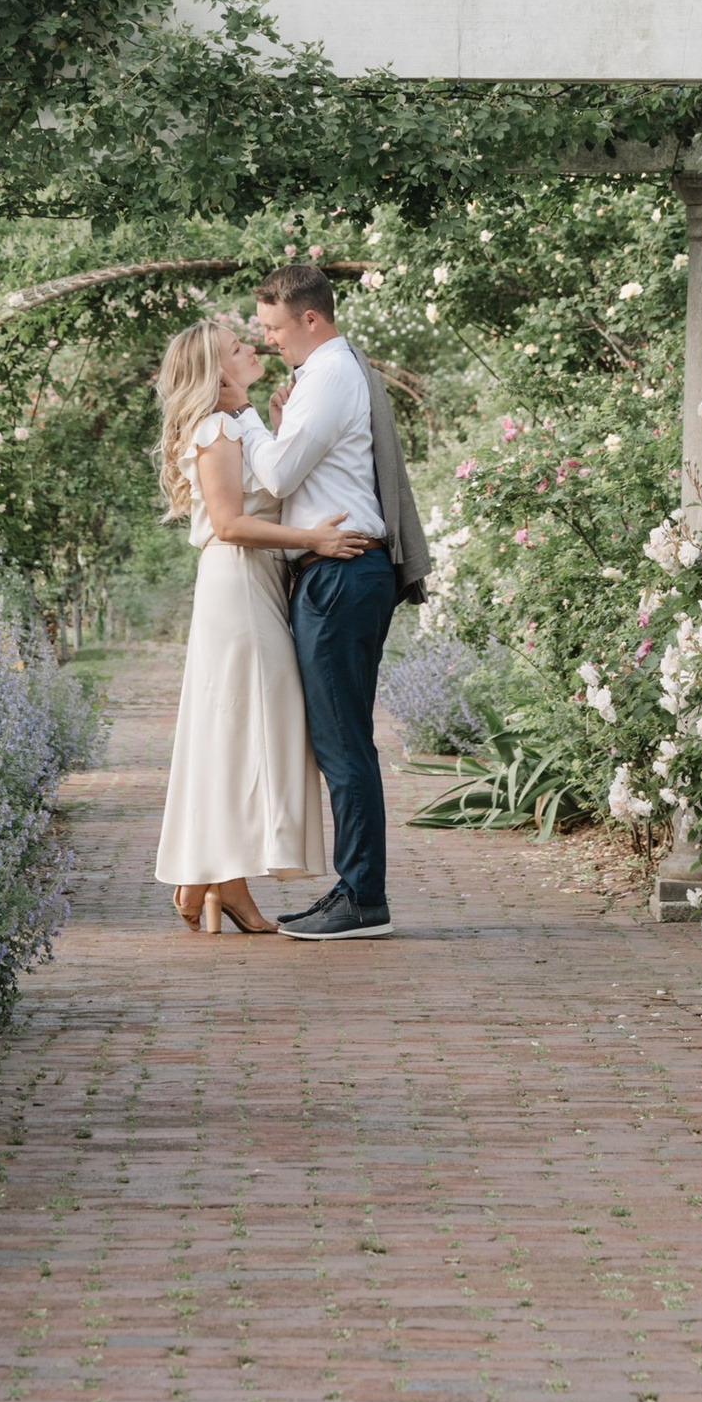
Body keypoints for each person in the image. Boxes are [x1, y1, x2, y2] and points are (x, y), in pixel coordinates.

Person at [150, 312, 373, 934]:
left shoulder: (235, 424)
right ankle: (223, 877)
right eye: (235, 346)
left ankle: (209, 877)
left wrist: (275, 428)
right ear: (215, 369)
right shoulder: (216, 426)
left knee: (245, 729)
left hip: (257, 584)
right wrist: (313, 541)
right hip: (238, 584)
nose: (251, 347)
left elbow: (270, 482)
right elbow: (228, 523)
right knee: (244, 731)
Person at [248, 259, 418, 939]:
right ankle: (354, 889)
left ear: (309, 318)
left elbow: (281, 469)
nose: (268, 340)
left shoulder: (329, 375)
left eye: (274, 327)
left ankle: (363, 899)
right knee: (339, 739)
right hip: (340, 573)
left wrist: (246, 424)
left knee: (343, 741)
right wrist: (280, 422)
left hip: (342, 576)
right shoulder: (325, 375)